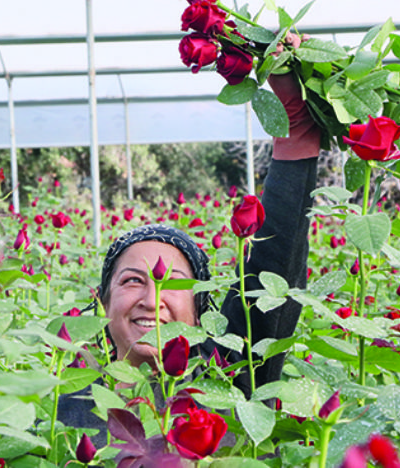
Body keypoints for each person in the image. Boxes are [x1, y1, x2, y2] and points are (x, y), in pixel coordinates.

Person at [56, 65, 321, 444]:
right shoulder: (62, 405)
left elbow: (273, 267)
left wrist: (295, 131)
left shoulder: (226, 382)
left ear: (199, 311)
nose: (152, 300)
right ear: (101, 303)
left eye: (174, 284)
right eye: (132, 280)